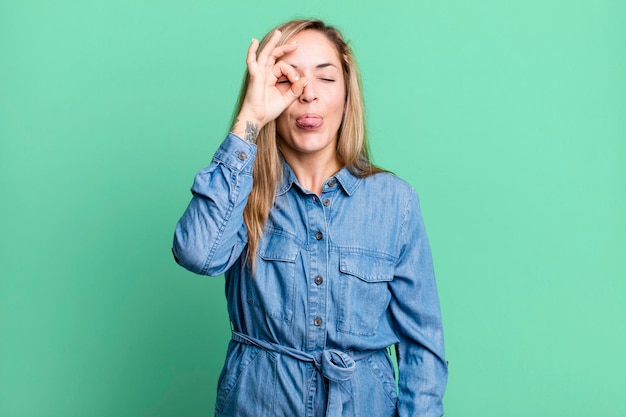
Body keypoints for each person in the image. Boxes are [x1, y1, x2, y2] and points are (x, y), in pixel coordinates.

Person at [172, 19, 447, 417]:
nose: (308, 95)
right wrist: (250, 118)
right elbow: (198, 254)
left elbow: (422, 347)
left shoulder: (395, 202)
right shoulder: (242, 192)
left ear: (348, 93)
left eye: (326, 78)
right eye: (290, 79)